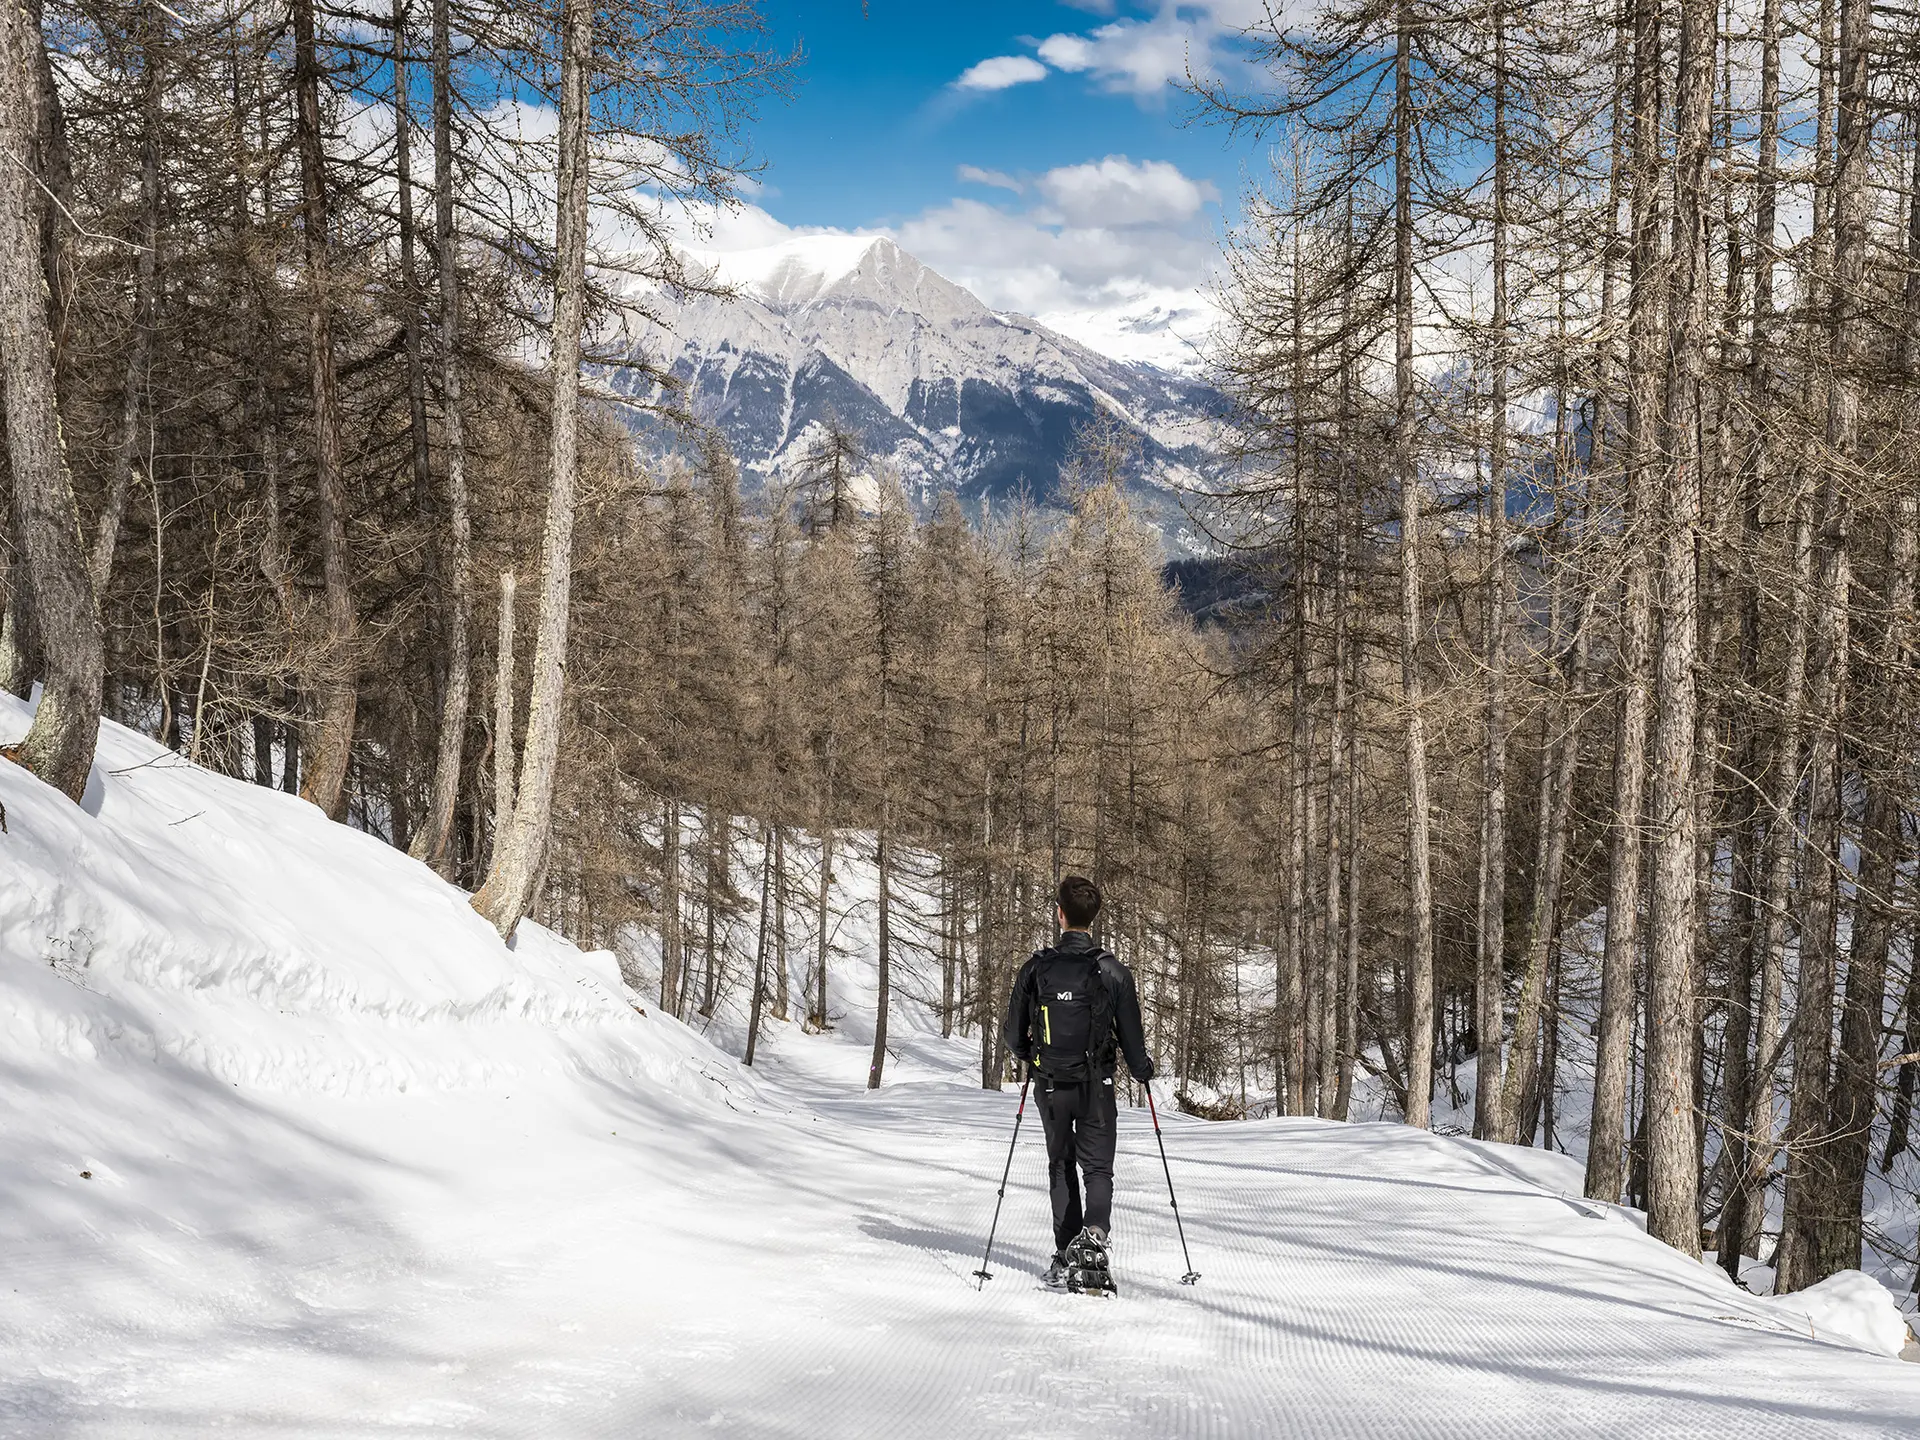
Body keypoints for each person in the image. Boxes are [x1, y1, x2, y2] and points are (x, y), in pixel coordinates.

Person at [1001, 874, 1155, 1293]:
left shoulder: (1035, 968)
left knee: (1060, 1164)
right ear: (1095, 917)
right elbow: (1132, 1040)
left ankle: (1066, 1251)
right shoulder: (1114, 972)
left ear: (1060, 914)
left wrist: (1033, 1057)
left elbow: (1013, 1036)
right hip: (1097, 1086)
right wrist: (1143, 1071)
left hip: (1051, 1084)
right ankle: (1095, 1238)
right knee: (1098, 1167)